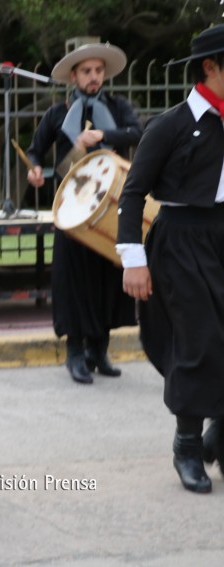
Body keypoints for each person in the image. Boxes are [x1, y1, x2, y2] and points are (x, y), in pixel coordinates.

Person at [117, 24, 224, 494]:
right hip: (181, 240)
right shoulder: (172, 124)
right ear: (210, 67)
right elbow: (133, 193)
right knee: (199, 342)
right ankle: (187, 444)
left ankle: (217, 437)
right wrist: (132, 259)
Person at [26, 42, 142, 384]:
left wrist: (103, 134)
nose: (94, 77)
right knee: (74, 280)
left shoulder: (118, 107)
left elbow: (138, 132)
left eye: (98, 71)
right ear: (74, 75)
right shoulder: (58, 113)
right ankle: (75, 353)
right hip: (72, 209)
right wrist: (34, 169)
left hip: (108, 206)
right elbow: (35, 150)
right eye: (87, 71)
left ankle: (99, 350)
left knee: (107, 278)